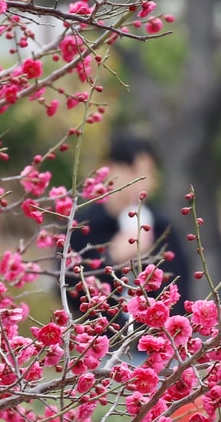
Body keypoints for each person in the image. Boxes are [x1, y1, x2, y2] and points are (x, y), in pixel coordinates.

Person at [60, 132, 191, 330]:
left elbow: (179, 287)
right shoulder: (83, 225)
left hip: (153, 345)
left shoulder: (161, 226)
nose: (144, 183)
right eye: (137, 173)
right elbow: (68, 289)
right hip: (98, 343)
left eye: (149, 175)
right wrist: (111, 258)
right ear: (112, 168)